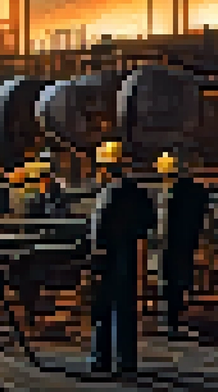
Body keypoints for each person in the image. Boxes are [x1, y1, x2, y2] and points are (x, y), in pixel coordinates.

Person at [87, 141, 155, 376]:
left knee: (104, 308)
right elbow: (150, 222)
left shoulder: (107, 193)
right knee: (126, 309)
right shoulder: (137, 192)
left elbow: (98, 228)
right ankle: (126, 361)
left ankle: (101, 360)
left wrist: (95, 256)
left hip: (109, 256)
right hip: (130, 253)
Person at [157, 152, 209, 336]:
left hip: (170, 241)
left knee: (169, 278)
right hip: (189, 238)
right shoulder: (197, 191)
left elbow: (164, 219)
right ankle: (178, 311)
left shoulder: (170, 192)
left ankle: (171, 317)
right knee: (183, 275)